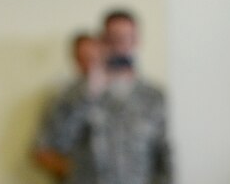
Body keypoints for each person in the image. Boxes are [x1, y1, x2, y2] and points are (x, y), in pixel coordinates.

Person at [33, 10, 170, 184]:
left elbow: (167, 157)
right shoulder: (73, 95)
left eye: (125, 38)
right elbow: (50, 147)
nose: (119, 46)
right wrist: (87, 95)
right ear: (102, 41)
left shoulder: (155, 98)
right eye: (112, 38)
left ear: (137, 41)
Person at [33, 32, 101, 181]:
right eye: (83, 58)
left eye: (94, 58)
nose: (90, 64)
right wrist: (81, 172)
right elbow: (42, 153)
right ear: (75, 59)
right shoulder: (63, 100)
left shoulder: (130, 98)